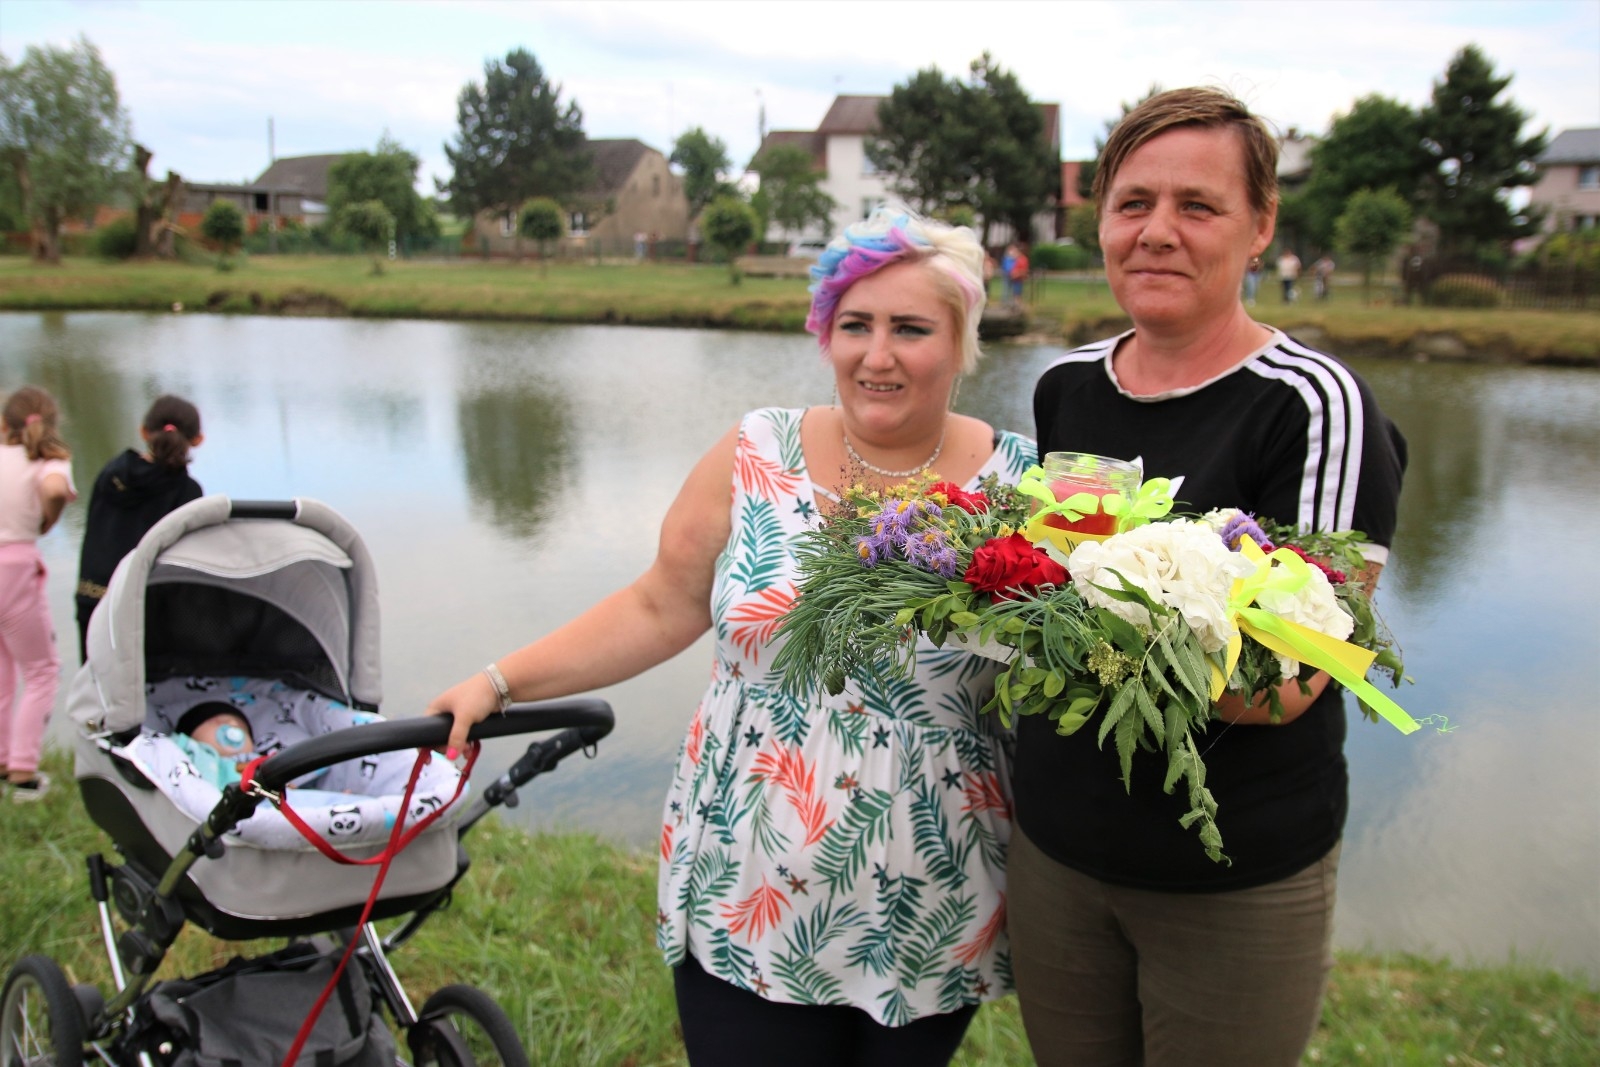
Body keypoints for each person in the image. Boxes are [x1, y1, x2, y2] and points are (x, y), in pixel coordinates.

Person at [429, 208, 1034, 1066]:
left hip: (932, 897)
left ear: (963, 339)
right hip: (748, 882)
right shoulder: (756, 451)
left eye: (911, 328)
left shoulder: (1023, 483)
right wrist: (499, 682)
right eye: (854, 325)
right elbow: (657, 605)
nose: (877, 355)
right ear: (825, 333)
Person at [1020, 88, 1407, 1067]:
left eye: (1197, 205)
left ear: (1260, 225)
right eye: (1132, 202)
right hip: (1057, 852)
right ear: (1101, 220)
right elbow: (1047, 568)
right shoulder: (1066, 385)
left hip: (1232, 872)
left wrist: (1056, 634)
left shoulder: (1313, 407)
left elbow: (1295, 676)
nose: (1157, 231)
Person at [75, 395, 204, 659]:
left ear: (144, 431)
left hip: (93, 598)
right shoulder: (187, 492)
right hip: (145, 606)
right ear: (198, 440)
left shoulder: (111, 474)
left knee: (95, 679)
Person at [0, 386, 77, 801]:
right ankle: (23, 771)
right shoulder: (50, 461)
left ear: (4, 424)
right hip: (15, 568)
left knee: (2, 669)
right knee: (42, 670)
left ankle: (2, 758)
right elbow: (53, 489)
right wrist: (49, 518)